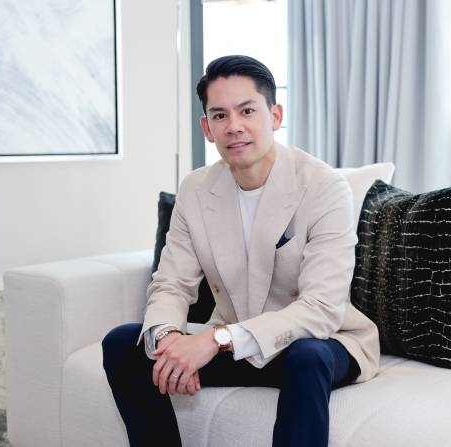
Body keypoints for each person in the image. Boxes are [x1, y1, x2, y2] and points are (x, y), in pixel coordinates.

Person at [102, 55, 380, 447]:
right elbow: (171, 284)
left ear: (275, 115)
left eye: (247, 111)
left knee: (308, 357)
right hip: (237, 342)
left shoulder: (323, 186)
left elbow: (321, 308)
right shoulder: (196, 190)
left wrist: (215, 340)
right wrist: (170, 341)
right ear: (207, 127)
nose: (234, 126)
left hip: (317, 341)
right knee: (122, 343)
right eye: (219, 115)